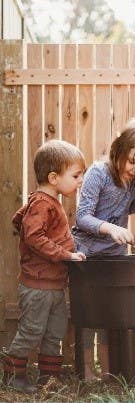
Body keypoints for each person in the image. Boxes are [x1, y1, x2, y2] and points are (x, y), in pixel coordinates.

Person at [72, 118, 135, 381]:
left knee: (112, 315)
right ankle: (88, 372)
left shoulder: (132, 181)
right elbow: (82, 217)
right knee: (90, 316)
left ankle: (111, 373)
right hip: (88, 255)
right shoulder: (98, 174)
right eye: (132, 161)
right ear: (118, 150)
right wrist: (110, 229)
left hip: (114, 256)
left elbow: (127, 207)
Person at [2, 140, 86, 393]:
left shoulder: (44, 201)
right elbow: (33, 235)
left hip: (54, 284)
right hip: (38, 286)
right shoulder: (42, 203)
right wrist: (64, 254)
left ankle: (49, 378)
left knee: (54, 332)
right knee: (31, 331)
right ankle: (12, 377)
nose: (80, 180)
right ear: (53, 177)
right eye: (76, 175)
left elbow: (19, 220)